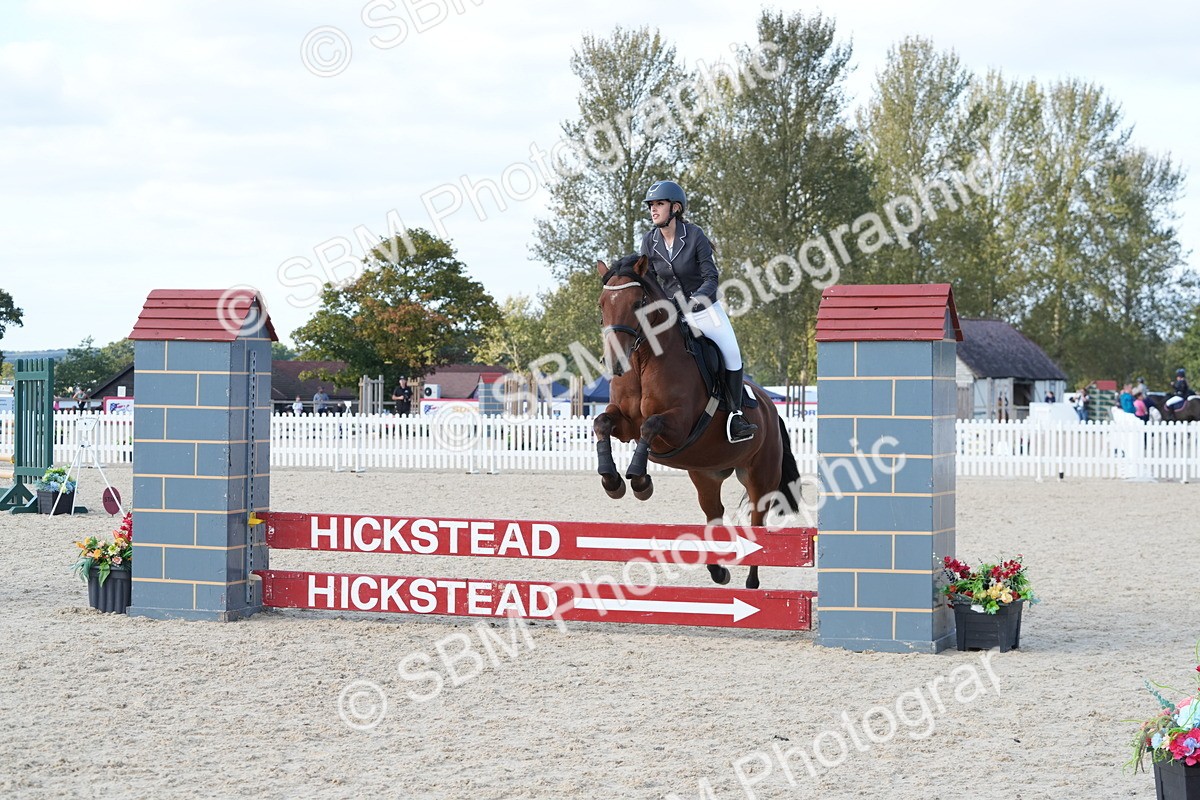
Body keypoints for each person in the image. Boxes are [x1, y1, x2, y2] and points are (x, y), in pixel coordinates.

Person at [639, 179, 757, 443]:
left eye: (659, 204)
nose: (653, 210)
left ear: (676, 208)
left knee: (732, 353)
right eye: (651, 206)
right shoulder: (648, 241)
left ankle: (736, 416)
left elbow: (710, 278)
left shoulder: (694, 236)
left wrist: (694, 301)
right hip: (672, 314)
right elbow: (650, 281)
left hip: (705, 311)